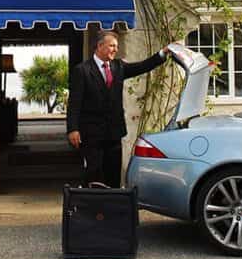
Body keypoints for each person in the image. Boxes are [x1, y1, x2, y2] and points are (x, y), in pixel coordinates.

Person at [66, 31, 171, 188]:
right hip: (91, 134)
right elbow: (74, 102)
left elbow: (142, 67)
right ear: (100, 46)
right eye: (112, 46)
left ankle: (112, 207)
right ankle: (92, 208)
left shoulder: (118, 66)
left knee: (114, 175)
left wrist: (163, 53)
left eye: (116, 46)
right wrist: (73, 129)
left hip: (114, 133)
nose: (115, 49)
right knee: (93, 173)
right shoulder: (82, 70)